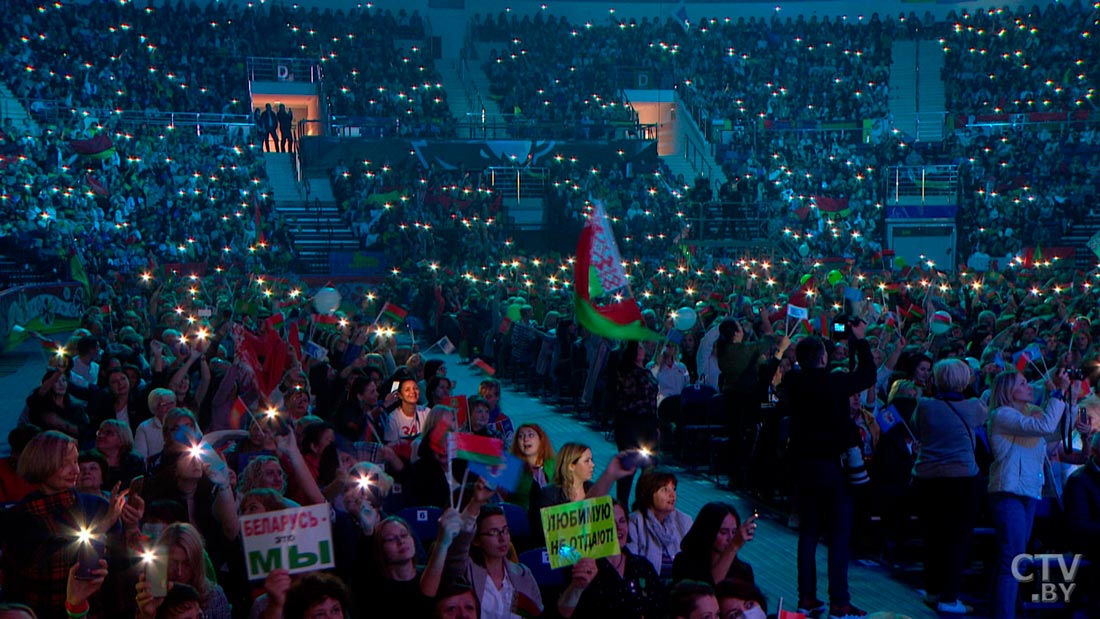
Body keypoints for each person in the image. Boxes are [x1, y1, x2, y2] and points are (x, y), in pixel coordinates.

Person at [780, 321, 875, 619]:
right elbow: (868, 374)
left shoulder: (792, 383)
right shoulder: (833, 383)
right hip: (833, 467)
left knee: (808, 533)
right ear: (823, 357)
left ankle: (806, 599)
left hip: (803, 466)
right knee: (838, 534)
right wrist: (858, 342)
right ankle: (839, 602)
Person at [2, 430, 142, 616]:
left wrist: (132, 526)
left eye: (75, 461)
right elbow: (52, 570)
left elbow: (124, 562)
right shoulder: (19, 517)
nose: (75, 470)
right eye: (64, 463)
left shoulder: (98, 506)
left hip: (103, 610)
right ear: (42, 463)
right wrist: (103, 526)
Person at [987, 369, 1069, 619]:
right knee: (1013, 556)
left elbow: (1051, 438)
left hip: (1028, 492)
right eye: (1022, 383)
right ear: (1008, 390)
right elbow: (1044, 424)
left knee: (1014, 557)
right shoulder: (1002, 415)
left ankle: (1001, 608)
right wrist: (1057, 393)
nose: (1029, 387)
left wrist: (1069, 399)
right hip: (1008, 492)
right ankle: (1004, 614)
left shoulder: (1025, 419)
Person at [911, 359, 987, 613]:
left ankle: (932, 591)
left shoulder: (924, 406)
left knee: (933, 537)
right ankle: (949, 597)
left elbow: (917, 430)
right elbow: (982, 415)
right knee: (958, 539)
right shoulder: (974, 406)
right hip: (963, 479)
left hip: (927, 478)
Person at [556, 499, 666, 618]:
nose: (618, 527)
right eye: (610, 523)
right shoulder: (581, 567)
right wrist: (577, 587)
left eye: (622, 521)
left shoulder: (643, 566)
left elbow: (661, 607)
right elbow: (563, 613)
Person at [134, 523, 231, 619]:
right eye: (173, 563)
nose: (179, 572)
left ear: (196, 564)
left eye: (187, 564)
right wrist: (146, 616)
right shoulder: (147, 595)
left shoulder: (213, 598)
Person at [613, 340, 659, 507]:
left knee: (649, 469)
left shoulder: (647, 372)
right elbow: (625, 398)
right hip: (631, 426)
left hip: (649, 425)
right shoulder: (626, 373)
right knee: (628, 470)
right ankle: (622, 506)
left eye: (642, 347)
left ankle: (643, 504)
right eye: (638, 347)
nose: (642, 350)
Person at [672, 502, 757, 587]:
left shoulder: (743, 571)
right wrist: (733, 547)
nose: (731, 538)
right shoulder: (684, 563)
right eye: (723, 532)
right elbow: (708, 590)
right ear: (707, 531)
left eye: (734, 532)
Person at [626, 470, 692, 577]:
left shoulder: (684, 520)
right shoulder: (635, 522)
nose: (672, 495)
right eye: (665, 490)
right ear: (649, 493)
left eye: (674, 489)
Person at [507, 423, 554, 510]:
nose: (525, 439)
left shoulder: (555, 465)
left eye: (530, 435)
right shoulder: (512, 469)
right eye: (521, 436)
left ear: (541, 439)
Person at [92, 419, 145, 489]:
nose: (101, 436)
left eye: (108, 433)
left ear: (122, 439)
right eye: (100, 432)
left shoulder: (135, 462)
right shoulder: (90, 458)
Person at [135, 389, 177, 464]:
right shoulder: (144, 427)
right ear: (154, 408)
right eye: (164, 404)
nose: (170, 407)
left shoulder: (186, 421)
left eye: (171, 403)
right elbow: (141, 458)